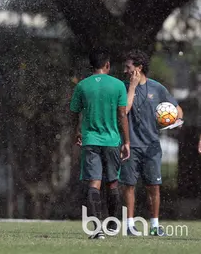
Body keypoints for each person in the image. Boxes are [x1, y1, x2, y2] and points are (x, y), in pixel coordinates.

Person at [120, 49, 184, 236]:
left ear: (139, 68)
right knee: (129, 185)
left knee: (153, 186)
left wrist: (173, 121)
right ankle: (130, 225)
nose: (125, 70)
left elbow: (178, 111)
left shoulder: (158, 88)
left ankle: (155, 226)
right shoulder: (123, 88)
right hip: (130, 145)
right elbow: (125, 110)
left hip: (152, 147)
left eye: (128, 67)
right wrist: (131, 87)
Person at [70, 49, 130, 239]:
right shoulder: (118, 85)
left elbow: (74, 111)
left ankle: (97, 230)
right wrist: (127, 141)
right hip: (112, 141)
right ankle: (112, 222)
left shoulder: (82, 86)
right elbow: (122, 114)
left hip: (90, 141)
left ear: (91, 66)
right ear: (107, 65)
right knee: (112, 183)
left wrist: (77, 131)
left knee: (93, 184)